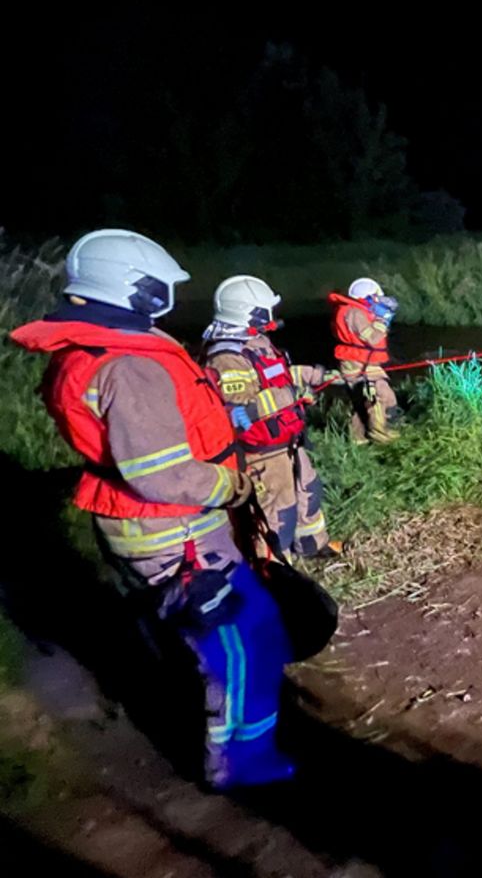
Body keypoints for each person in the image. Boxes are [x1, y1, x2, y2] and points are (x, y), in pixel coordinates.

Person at [10, 230, 294, 789]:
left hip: (148, 524)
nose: (169, 295)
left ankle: (213, 722)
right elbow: (164, 475)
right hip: (176, 531)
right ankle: (241, 761)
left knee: (199, 630)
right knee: (242, 639)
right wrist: (230, 486)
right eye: (161, 286)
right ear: (135, 290)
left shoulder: (100, 347)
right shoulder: (129, 367)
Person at [201, 275, 342, 563]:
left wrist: (317, 375)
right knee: (278, 514)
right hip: (262, 455)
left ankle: (313, 545)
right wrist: (292, 398)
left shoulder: (258, 342)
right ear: (248, 312)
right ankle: (277, 572)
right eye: (266, 311)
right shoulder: (226, 358)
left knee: (309, 492)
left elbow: (281, 375)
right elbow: (239, 415)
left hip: (288, 440)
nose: (272, 317)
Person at [328, 278, 399, 444]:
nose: (378, 300)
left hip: (363, 362)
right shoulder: (355, 314)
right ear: (365, 297)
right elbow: (372, 338)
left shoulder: (355, 310)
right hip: (358, 364)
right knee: (378, 393)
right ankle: (379, 433)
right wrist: (382, 321)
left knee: (362, 400)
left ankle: (358, 438)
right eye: (375, 297)